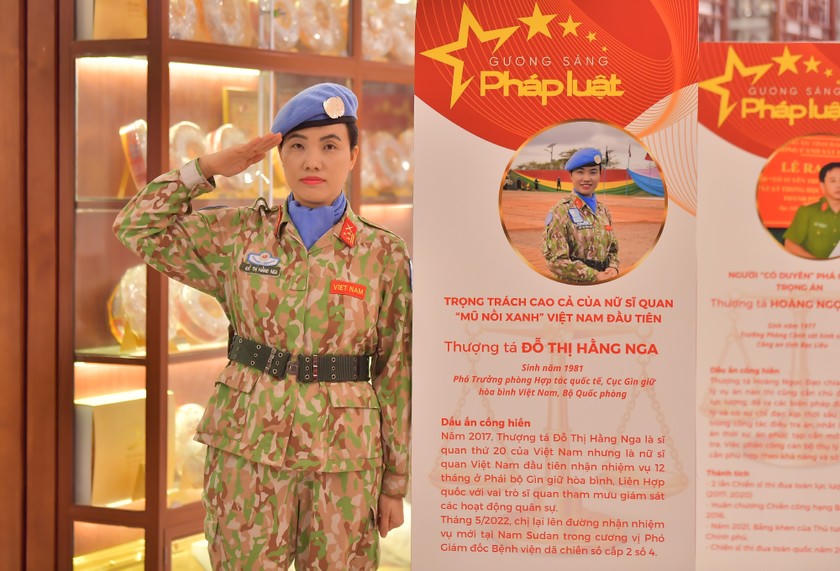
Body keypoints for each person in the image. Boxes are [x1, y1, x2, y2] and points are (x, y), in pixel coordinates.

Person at [113, 83, 411, 569]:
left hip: (344, 460)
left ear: (353, 156)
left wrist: (394, 483)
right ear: (279, 156)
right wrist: (208, 167)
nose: (312, 161)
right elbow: (136, 225)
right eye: (297, 146)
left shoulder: (383, 254)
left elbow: (397, 370)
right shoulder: (239, 235)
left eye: (329, 146)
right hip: (247, 450)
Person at [542, 147, 619, 283]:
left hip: (603, 283)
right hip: (573, 286)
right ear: (571, 175)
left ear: (600, 174)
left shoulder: (603, 211)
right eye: (580, 172)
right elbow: (555, 260)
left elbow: (612, 249)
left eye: (593, 172)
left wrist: (613, 267)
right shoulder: (561, 211)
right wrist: (593, 275)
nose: (587, 178)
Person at [783, 161, 840, 259]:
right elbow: (790, 245)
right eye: (833, 181)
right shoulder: (807, 211)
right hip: (811, 266)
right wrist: (817, 264)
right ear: (822, 186)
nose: (838, 185)